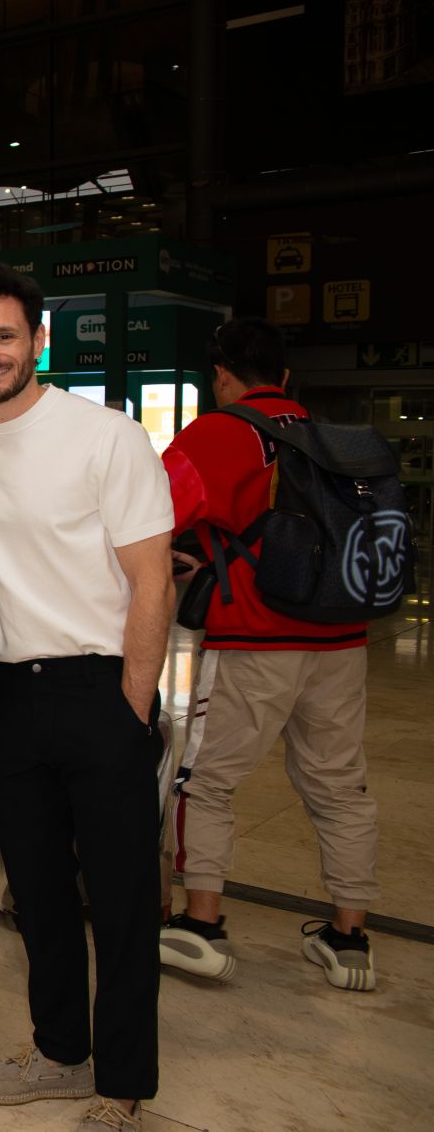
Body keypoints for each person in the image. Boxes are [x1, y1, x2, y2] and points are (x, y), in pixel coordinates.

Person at [0, 267, 175, 1132]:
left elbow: (153, 583)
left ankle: (124, 1083)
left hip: (98, 688)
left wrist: (132, 708)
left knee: (119, 903)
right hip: (9, 696)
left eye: (4, 336)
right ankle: (61, 1054)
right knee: (34, 897)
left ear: (37, 340)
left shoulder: (107, 437)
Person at [158, 317, 379, 991]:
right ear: (284, 376)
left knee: (207, 781)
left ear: (222, 376)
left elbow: (153, 514)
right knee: (340, 785)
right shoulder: (327, 435)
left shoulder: (219, 433)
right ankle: (349, 940)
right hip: (341, 635)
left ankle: (201, 928)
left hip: (256, 637)